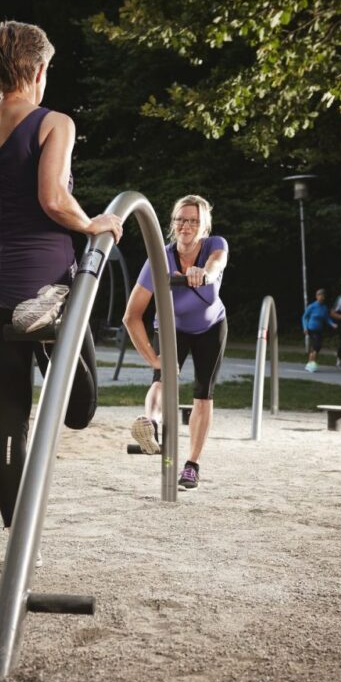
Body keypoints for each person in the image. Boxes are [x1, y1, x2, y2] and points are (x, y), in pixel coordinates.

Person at [0, 21, 123, 562]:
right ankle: (50, 331)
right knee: (79, 410)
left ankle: (19, 544)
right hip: (50, 281)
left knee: (10, 415)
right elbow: (52, 198)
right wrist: (93, 222)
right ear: (40, 70)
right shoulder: (54, 123)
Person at [123, 194, 228, 490]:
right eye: (181, 219)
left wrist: (202, 273)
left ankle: (192, 465)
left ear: (203, 226)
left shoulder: (214, 244)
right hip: (172, 328)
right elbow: (131, 316)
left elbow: (216, 265)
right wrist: (153, 359)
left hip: (211, 326)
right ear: (172, 224)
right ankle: (150, 425)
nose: (186, 225)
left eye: (193, 220)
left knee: (203, 393)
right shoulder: (159, 260)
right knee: (162, 377)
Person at [301, 288, 337, 372]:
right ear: (316, 296)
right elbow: (304, 317)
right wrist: (305, 327)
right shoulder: (312, 306)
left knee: (318, 346)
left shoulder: (324, 308)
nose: (321, 297)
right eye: (319, 295)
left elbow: (327, 318)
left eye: (323, 295)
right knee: (317, 344)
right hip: (311, 329)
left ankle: (309, 363)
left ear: (324, 297)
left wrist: (332, 324)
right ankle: (311, 362)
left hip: (319, 329)